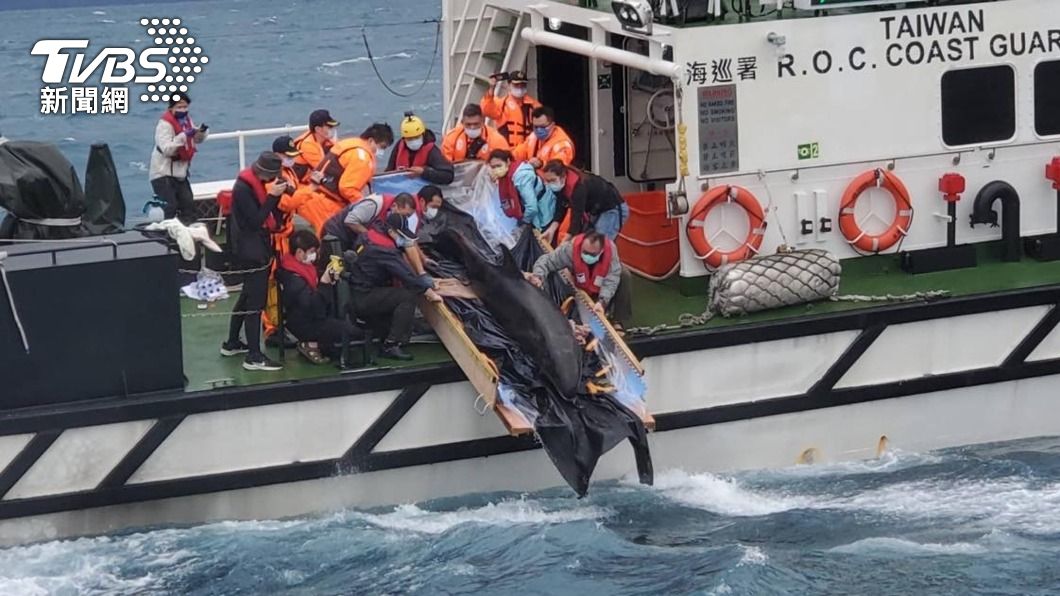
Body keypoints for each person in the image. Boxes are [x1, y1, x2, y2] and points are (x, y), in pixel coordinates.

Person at [221, 152, 287, 371]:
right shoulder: (243, 190)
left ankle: (232, 343)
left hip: (247, 248)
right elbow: (255, 221)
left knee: (246, 296)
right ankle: (254, 356)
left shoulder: (248, 183)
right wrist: (273, 197)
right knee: (255, 304)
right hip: (252, 252)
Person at [347, 211, 442, 360]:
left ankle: (385, 333)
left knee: (394, 294)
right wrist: (428, 291)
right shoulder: (384, 249)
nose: (404, 240)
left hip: (354, 289)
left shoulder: (369, 235)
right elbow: (406, 275)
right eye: (402, 236)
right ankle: (391, 345)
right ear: (391, 231)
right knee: (407, 297)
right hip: (363, 296)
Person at [277, 230, 362, 368]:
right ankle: (311, 343)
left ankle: (318, 344)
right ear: (299, 252)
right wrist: (324, 283)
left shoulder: (298, 267)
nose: (314, 255)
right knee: (351, 332)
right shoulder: (294, 280)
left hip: (305, 318)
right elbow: (314, 308)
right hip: (305, 324)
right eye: (311, 251)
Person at [297, 122, 394, 233]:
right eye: (382, 147)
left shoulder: (349, 143)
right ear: (371, 141)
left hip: (316, 196)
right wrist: (365, 205)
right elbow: (347, 188)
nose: (381, 151)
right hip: (326, 204)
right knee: (329, 241)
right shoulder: (362, 158)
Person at [529, 230, 633, 331]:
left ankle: (618, 321)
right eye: (585, 252)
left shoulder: (611, 252)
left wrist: (602, 302)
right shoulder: (570, 249)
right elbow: (546, 261)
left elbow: (612, 279)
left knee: (624, 275)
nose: (587, 256)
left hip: (600, 288)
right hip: (579, 286)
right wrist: (538, 276)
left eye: (592, 254)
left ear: (601, 252)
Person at [542, 159, 629, 244]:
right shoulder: (562, 186)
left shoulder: (579, 187)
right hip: (596, 211)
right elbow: (561, 207)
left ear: (563, 176)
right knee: (587, 241)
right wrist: (551, 229)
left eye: (552, 180)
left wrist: (566, 240)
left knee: (597, 243)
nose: (549, 184)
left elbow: (577, 215)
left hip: (612, 209)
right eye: (547, 181)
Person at [150, 94, 207, 223]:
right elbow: (166, 148)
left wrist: (201, 132)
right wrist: (183, 136)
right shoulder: (164, 124)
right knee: (169, 208)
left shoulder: (187, 121)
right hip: (163, 173)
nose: (183, 110)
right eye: (179, 107)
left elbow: (196, 140)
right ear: (171, 108)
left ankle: (187, 234)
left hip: (180, 173)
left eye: (185, 107)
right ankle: (166, 238)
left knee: (188, 206)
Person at [487, 149, 554, 231]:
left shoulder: (521, 177)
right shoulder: (506, 176)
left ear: (508, 161)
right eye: (493, 167)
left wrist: (523, 222)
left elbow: (532, 207)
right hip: (532, 210)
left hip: (543, 212)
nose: (496, 169)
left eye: (498, 165)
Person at [386, 112, 454, 185]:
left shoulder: (431, 150)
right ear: (404, 138)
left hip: (425, 189)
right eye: (409, 139)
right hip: (402, 188)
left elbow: (448, 176)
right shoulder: (399, 146)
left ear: (422, 134)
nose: (413, 141)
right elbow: (388, 172)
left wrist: (424, 172)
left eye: (416, 137)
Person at [480, 70, 541, 146]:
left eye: (523, 84)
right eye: (516, 85)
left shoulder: (534, 105)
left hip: (527, 151)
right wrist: (492, 88)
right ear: (509, 85)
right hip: (505, 150)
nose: (520, 87)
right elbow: (486, 110)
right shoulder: (501, 103)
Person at [513, 106, 575, 171]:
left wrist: (541, 164)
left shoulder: (562, 145)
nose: (539, 130)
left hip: (552, 179)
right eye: (536, 127)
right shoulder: (533, 136)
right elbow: (520, 151)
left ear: (553, 125)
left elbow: (558, 167)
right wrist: (508, 156)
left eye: (543, 126)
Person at [441, 104, 509, 163]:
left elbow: (504, 165)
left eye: (476, 124)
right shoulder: (451, 138)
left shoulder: (497, 140)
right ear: (462, 123)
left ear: (483, 122)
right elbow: (446, 166)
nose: (472, 127)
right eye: (468, 124)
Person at [291, 109, 339, 182]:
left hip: (315, 181)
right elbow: (326, 169)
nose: (332, 129)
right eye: (329, 127)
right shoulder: (307, 145)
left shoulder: (327, 140)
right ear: (318, 129)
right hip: (302, 185)